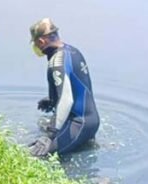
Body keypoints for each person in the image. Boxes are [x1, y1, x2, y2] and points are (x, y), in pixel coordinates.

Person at [28, 18, 100, 157]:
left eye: (35, 43)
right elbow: (77, 87)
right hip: (92, 120)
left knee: (33, 156)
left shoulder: (57, 61)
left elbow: (67, 100)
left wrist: (49, 136)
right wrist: (52, 100)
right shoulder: (73, 51)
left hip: (79, 124)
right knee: (43, 125)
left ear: (41, 41)